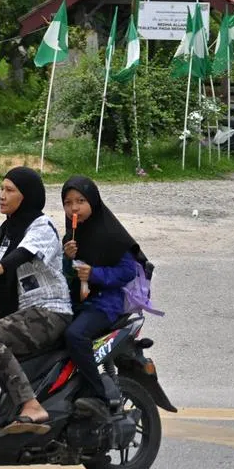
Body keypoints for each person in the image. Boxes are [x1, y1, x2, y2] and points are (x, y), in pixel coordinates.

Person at [0, 166, 73, 434]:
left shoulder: (41, 228)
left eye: (9, 190)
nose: (2, 195)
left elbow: (20, 256)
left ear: (28, 196)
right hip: (19, 314)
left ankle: (31, 405)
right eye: (1, 189)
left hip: (49, 313)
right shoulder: (5, 232)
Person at [60, 175, 147, 415]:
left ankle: (98, 394)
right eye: (68, 203)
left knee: (75, 335)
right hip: (77, 301)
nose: (74, 207)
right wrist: (66, 258)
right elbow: (67, 274)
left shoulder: (111, 234)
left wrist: (95, 274)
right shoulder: (72, 236)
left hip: (105, 303)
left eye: (80, 201)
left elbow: (127, 271)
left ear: (94, 202)